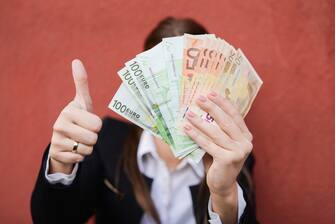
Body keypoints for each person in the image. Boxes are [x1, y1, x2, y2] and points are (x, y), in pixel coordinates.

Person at [31, 17, 258, 224]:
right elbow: (53, 220)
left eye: (189, 84)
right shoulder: (107, 141)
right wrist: (60, 165)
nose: (180, 99)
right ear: (145, 85)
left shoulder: (230, 159)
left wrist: (224, 195)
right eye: (168, 83)